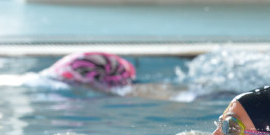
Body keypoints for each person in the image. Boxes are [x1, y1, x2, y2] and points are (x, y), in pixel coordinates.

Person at [43, 51, 184, 99]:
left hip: (107, 68)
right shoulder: (63, 73)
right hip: (103, 67)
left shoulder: (63, 75)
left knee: (124, 92)